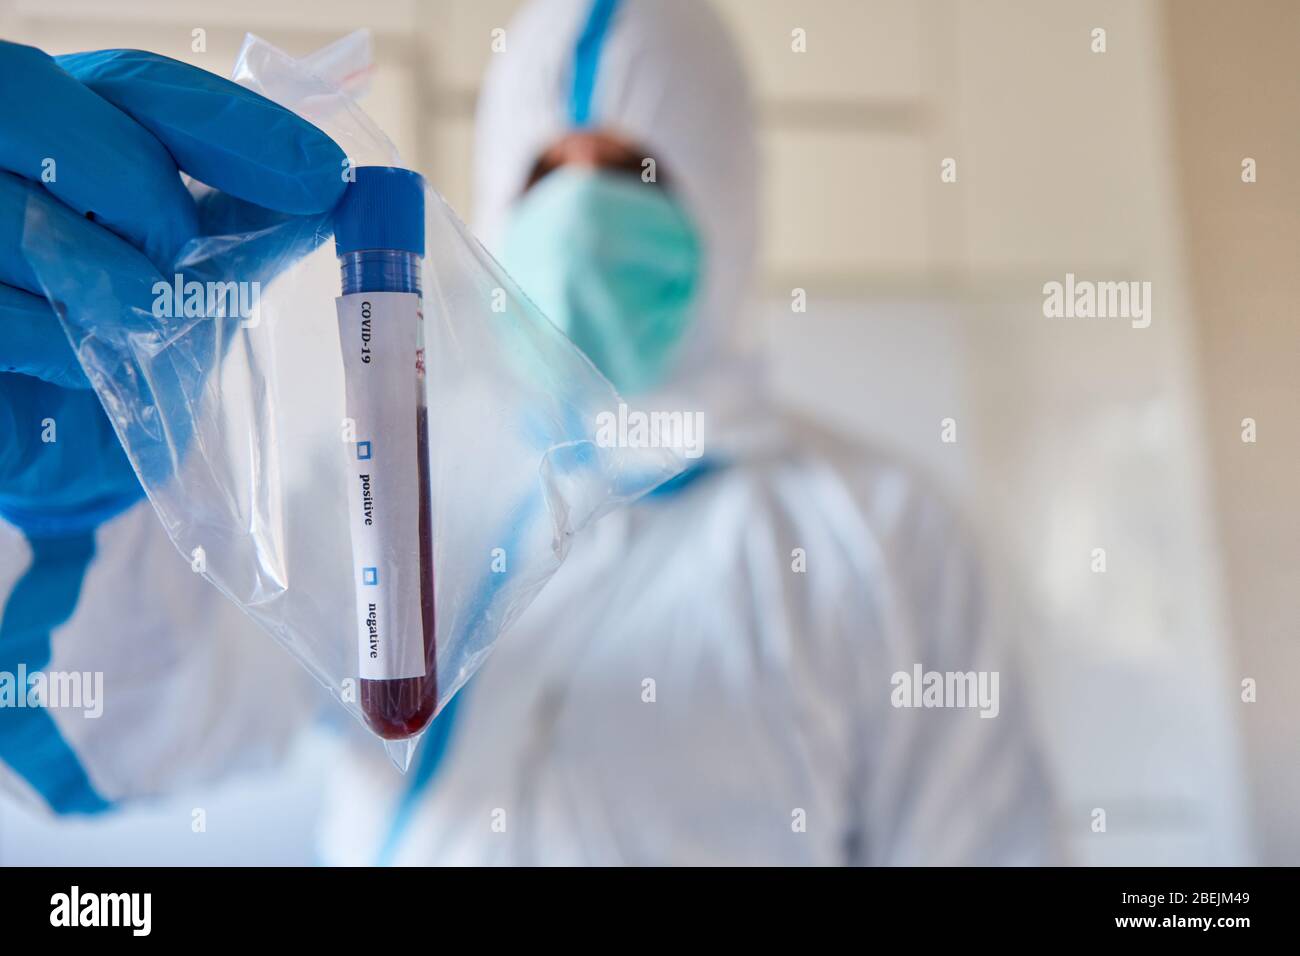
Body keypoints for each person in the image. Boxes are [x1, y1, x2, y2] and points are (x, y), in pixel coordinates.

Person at [0, 0, 1057, 864]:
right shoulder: (391, 486)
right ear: (499, 200)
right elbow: (119, 739)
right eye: (548, 173)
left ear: (730, 197)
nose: (588, 218)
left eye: (637, 172)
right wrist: (97, 494)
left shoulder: (877, 535)